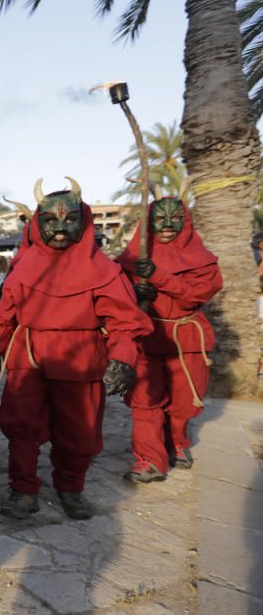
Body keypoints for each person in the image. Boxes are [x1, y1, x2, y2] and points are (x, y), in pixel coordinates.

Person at [0, 177, 152, 520]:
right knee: (22, 425)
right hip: (29, 354)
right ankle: (22, 488)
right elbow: (6, 313)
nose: (61, 229)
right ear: (38, 223)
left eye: (69, 220)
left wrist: (123, 358)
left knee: (79, 429)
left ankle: (70, 486)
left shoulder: (103, 271)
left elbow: (125, 321)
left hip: (82, 356)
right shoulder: (24, 268)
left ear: (84, 221)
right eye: (50, 221)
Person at [117, 194, 222, 481]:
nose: (166, 224)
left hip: (185, 339)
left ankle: (177, 442)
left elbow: (197, 294)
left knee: (183, 401)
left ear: (185, 222)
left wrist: (159, 278)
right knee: (144, 401)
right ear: (148, 222)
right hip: (147, 338)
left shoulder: (202, 261)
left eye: (174, 218)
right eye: (159, 218)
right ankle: (149, 460)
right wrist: (134, 293)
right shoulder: (130, 259)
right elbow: (113, 293)